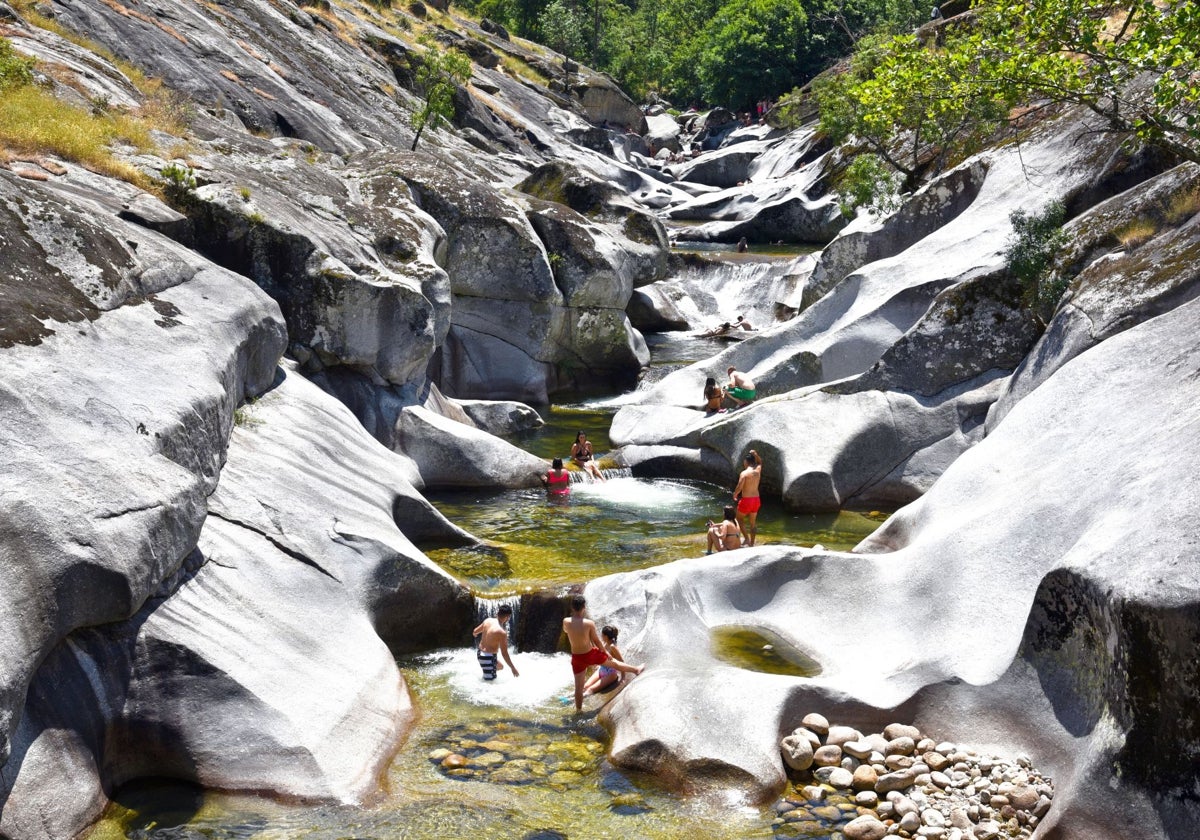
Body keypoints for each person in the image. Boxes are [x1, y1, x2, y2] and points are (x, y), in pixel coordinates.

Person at [563, 594, 643, 711]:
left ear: (572, 607)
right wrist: (606, 653)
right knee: (614, 664)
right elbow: (596, 641)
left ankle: (578, 711)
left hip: (577, 658)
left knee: (578, 688)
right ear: (584, 607)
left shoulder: (566, 621)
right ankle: (636, 670)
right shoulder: (589, 623)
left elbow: (566, 630)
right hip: (590, 654)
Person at [473, 605, 519, 681]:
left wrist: (475, 634)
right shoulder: (501, 632)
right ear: (507, 617)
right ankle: (487, 672)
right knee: (489, 685)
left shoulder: (487, 620)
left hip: (480, 653)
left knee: (500, 666)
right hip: (488, 657)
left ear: (498, 613)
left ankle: (487, 671)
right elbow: (504, 653)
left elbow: (475, 631)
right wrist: (513, 668)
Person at [582, 625, 627, 697]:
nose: (601, 636)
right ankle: (568, 698)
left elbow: (621, 661)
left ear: (606, 636)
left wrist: (623, 677)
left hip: (611, 673)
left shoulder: (612, 647)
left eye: (602, 635)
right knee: (585, 686)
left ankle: (571, 701)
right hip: (602, 669)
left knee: (590, 690)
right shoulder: (605, 644)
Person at [733, 449, 762, 547]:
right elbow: (760, 462)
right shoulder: (758, 470)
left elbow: (740, 486)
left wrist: (735, 494)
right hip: (756, 499)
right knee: (753, 523)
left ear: (746, 462)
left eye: (744, 462)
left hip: (747, 500)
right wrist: (756, 454)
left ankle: (746, 539)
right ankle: (752, 543)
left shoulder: (744, 473)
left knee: (739, 519)